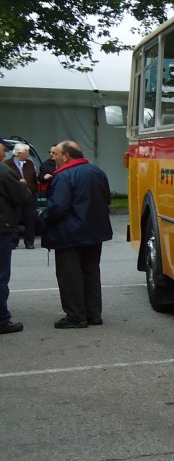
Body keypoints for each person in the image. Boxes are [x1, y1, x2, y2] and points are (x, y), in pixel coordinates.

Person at [40, 140, 113, 330]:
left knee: (70, 276)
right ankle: (93, 314)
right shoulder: (97, 172)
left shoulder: (63, 176)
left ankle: (76, 316)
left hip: (69, 234)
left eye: (56, 154)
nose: (53, 158)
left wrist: (42, 218)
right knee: (91, 272)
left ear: (66, 156)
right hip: (94, 231)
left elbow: (58, 207)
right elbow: (106, 199)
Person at [0, 148, 32, 333]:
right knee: (1, 275)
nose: (5, 154)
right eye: (3, 150)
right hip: (2, 228)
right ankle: (2, 319)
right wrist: (22, 185)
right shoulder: (4, 171)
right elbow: (21, 196)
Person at [5, 143, 39, 249]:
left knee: (31, 218)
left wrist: (34, 190)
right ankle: (13, 241)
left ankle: (29, 242)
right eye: (26, 152)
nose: (28, 154)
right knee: (15, 218)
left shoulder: (30, 163)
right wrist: (18, 182)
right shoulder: (7, 164)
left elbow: (34, 178)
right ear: (19, 153)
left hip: (30, 194)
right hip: (15, 195)